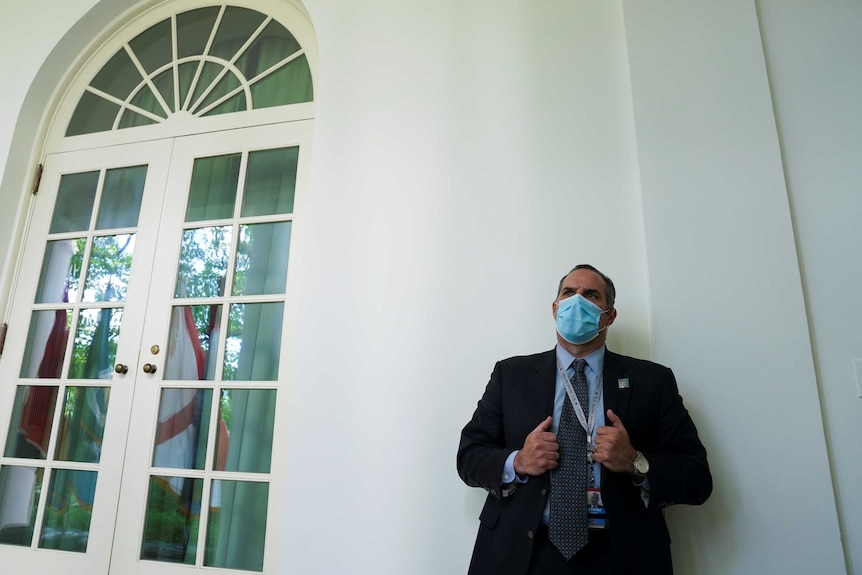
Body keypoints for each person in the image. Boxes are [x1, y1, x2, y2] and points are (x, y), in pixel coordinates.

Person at [457, 264, 712, 575]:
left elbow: (697, 478)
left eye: (591, 295)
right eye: (568, 293)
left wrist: (635, 461)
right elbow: (469, 456)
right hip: (522, 554)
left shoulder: (652, 381)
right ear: (555, 309)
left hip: (620, 555)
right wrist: (518, 462)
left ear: (609, 315)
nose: (577, 301)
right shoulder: (510, 375)